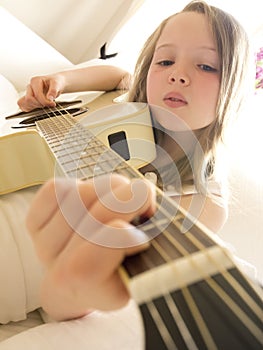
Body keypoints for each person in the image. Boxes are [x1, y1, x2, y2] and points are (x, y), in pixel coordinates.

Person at [18, 0, 250, 322]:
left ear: (232, 91)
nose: (178, 75)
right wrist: (60, 81)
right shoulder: (134, 104)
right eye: (165, 60)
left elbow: (87, 284)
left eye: (206, 66)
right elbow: (117, 74)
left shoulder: (202, 202)